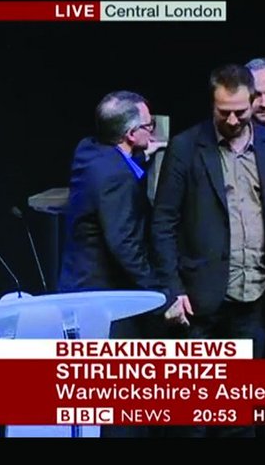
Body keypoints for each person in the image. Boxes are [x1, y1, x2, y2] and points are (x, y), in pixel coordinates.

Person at [151, 64, 265, 438]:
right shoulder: (186, 148)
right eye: (223, 112)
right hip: (199, 301)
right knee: (194, 419)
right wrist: (172, 290)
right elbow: (163, 222)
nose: (232, 119)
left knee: (238, 416)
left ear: (252, 102)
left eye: (240, 111)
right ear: (212, 104)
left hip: (254, 296)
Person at [58, 90, 178, 438]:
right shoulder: (114, 178)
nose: (153, 133)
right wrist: (162, 296)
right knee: (118, 408)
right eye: (148, 127)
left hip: (78, 291)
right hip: (104, 300)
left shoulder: (88, 151)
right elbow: (125, 245)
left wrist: (142, 157)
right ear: (129, 135)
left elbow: (120, 169)